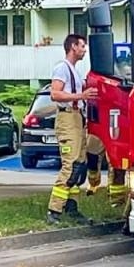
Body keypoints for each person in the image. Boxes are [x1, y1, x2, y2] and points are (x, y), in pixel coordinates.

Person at [47, 34, 101, 223]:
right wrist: (81, 95)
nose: (84, 50)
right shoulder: (62, 68)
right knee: (70, 165)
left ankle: (72, 207)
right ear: (72, 47)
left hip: (77, 119)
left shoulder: (74, 71)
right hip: (67, 119)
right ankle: (54, 209)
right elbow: (55, 93)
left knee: (79, 164)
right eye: (82, 46)